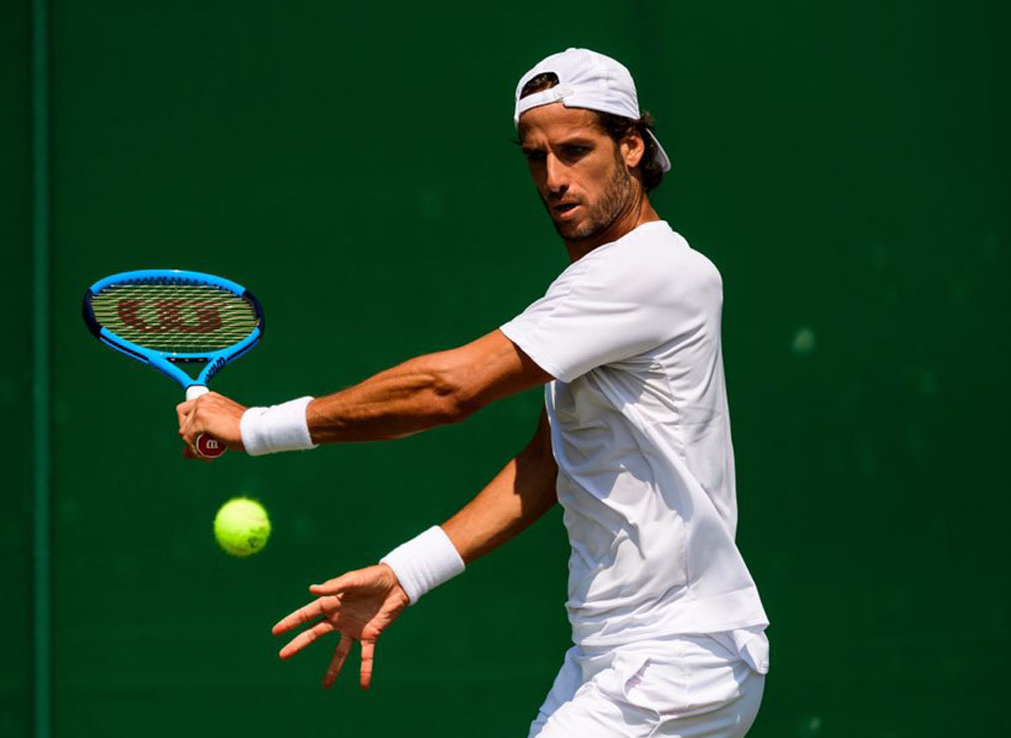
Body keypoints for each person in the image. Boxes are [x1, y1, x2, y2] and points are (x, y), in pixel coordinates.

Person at [176, 47, 770, 738]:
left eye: (576, 150)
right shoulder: (602, 285)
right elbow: (548, 465)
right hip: (617, 654)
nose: (553, 177)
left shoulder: (648, 271)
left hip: (675, 657)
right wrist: (407, 573)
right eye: (534, 156)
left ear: (632, 146)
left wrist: (255, 426)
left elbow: (448, 390)